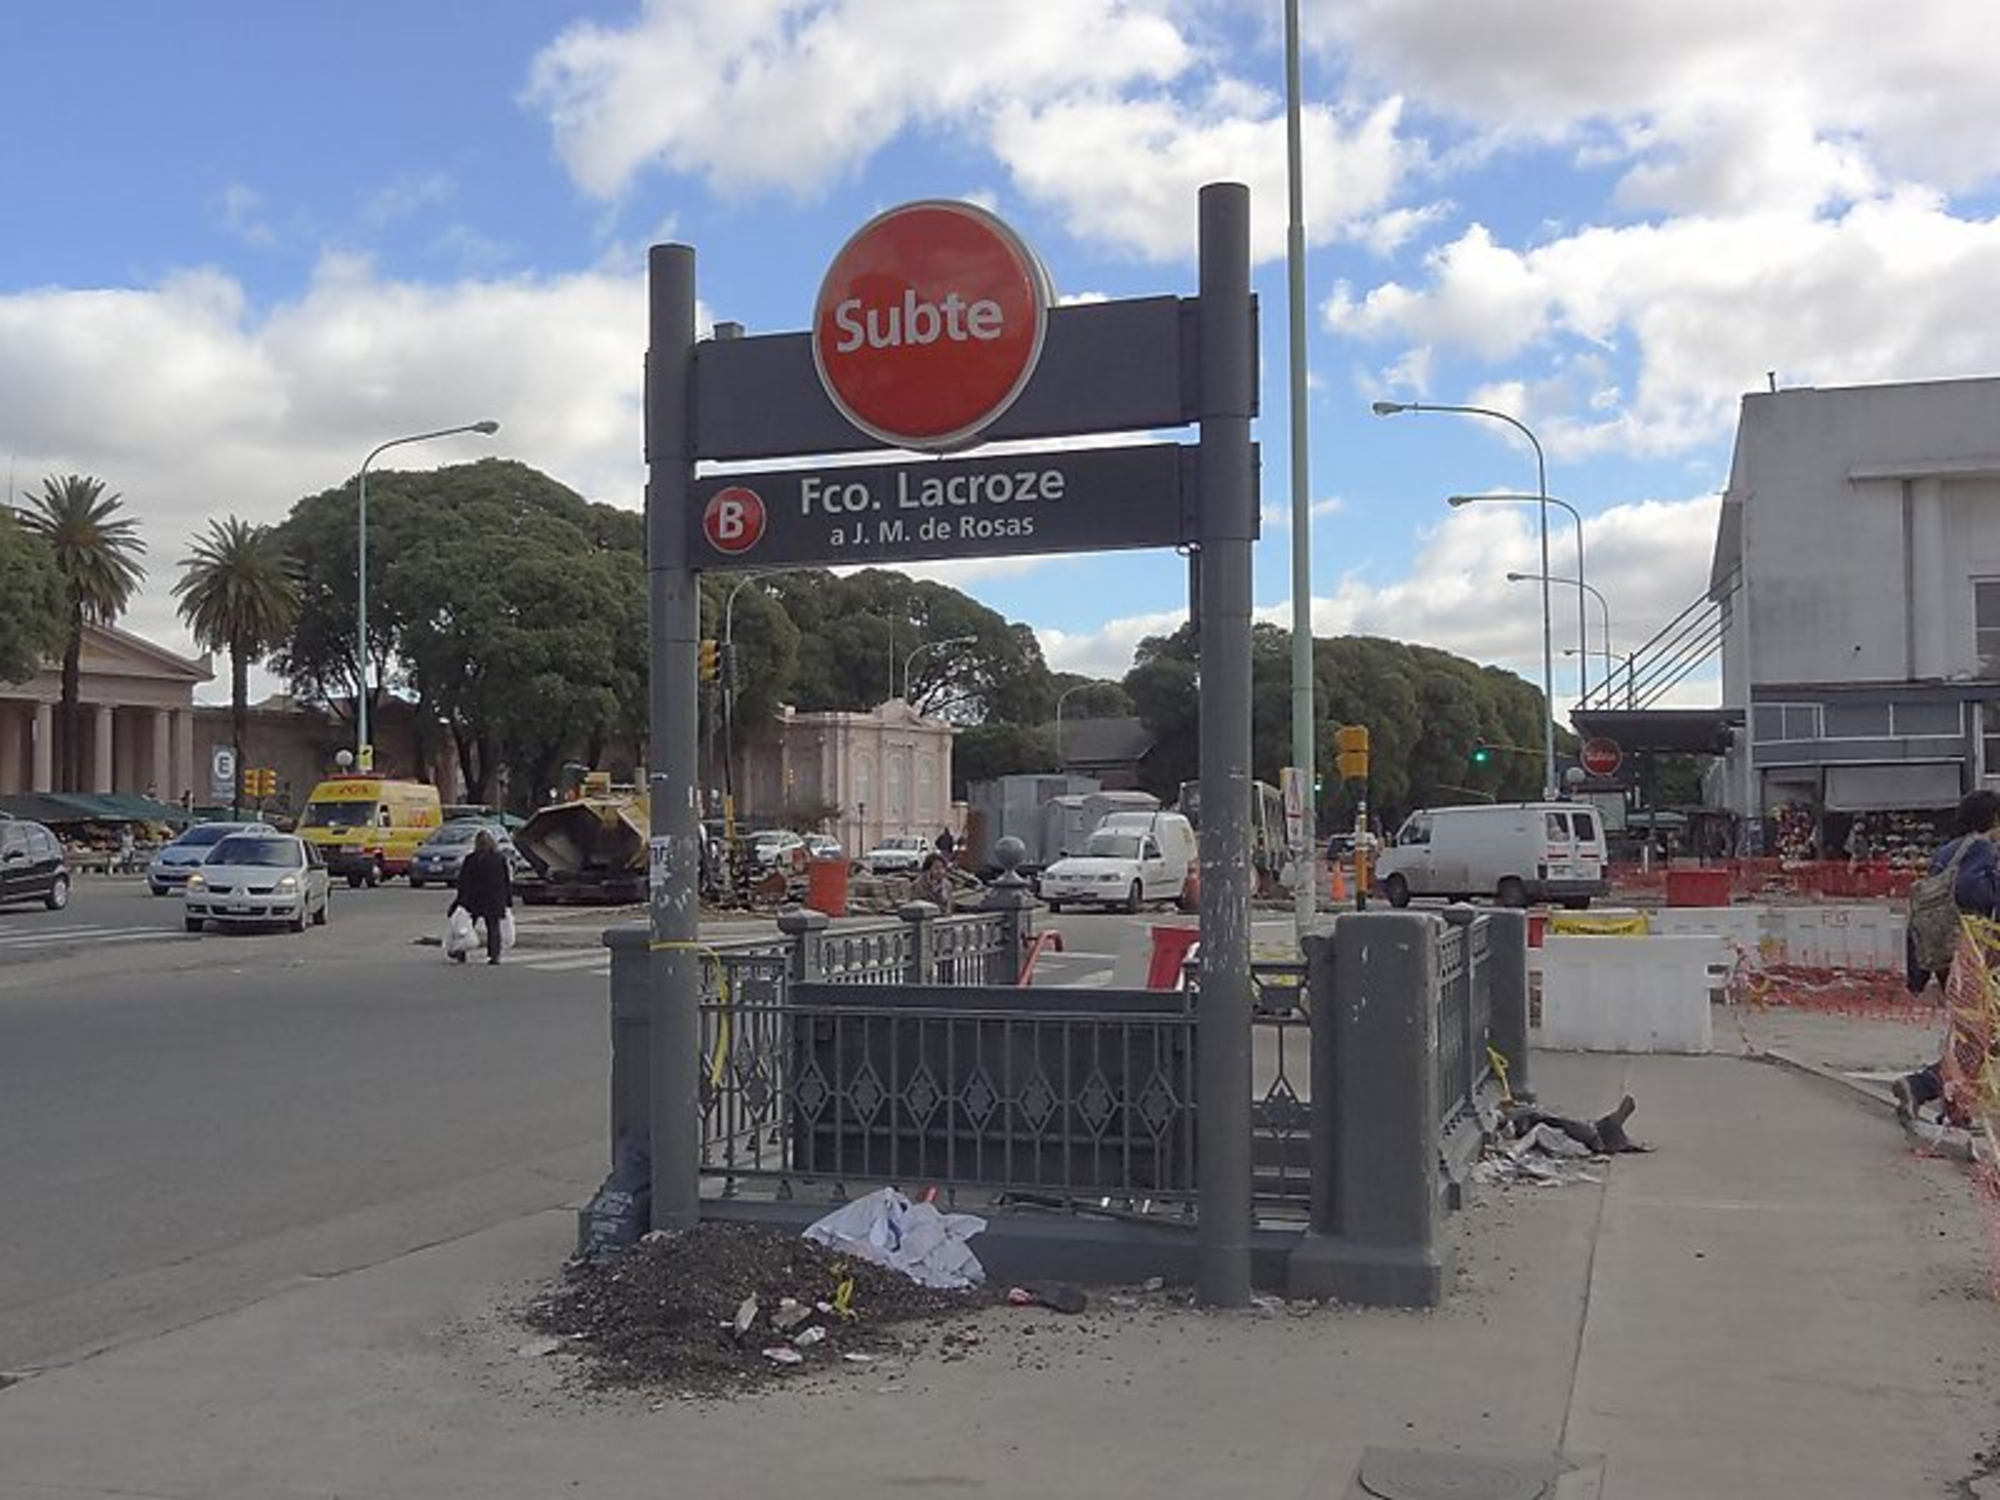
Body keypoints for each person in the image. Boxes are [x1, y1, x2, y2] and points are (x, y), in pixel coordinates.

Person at [1894, 790, 2000, 1121]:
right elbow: (1971, 892)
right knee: (1980, 1036)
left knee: (1974, 1033)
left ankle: (1955, 1110)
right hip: (1973, 953)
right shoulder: (1984, 849)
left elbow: (1926, 907)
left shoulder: (1946, 852)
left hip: (1944, 954)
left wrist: (1917, 976)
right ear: (1994, 818)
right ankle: (1923, 1085)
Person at [449, 829, 514, 965]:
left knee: (466, 926)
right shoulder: (499, 859)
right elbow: (506, 881)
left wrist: (459, 901)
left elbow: (463, 882)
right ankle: (494, 956)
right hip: (494, 899)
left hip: (474, 899)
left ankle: (461, 951)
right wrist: (508, 901)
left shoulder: (471, 859)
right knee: (493, 928)